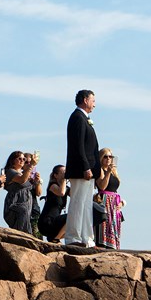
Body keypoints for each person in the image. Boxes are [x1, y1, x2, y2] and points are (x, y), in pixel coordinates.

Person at [65, 89, 100, 247]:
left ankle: (87, 237)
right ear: (85, 100)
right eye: (93, 100)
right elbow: (77, 146)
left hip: (89, 171)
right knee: (78, 202)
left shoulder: (84, 118)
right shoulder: (77, 118)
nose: (94, 103)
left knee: (86, 204)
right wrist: (86, 167)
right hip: (81, 170)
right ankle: (73, 237)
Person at [94, 148, 125, 249]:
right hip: (104, 201)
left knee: (114, 226)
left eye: (110, 156)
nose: (108, 159)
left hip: (115, 203)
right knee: (105, 226)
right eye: (105, 157)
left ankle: (114, 245)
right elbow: (102, 186)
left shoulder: (114, 172)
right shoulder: (100, 171)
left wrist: (122, 202)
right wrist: (107, 173)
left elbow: (115, 189)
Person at [3, 150, 36, 234]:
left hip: (26, 203)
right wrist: (31, 165)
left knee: (25, 223)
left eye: (24, 159)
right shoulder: (10, 171)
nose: (22, 161)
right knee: (22, 213)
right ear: (12, 160)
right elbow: (21, 180)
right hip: (14, 203)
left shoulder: (22, 173)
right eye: (19, 158)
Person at [38, 165, 68, 243]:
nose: (66, 173)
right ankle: (55, 239)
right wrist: (65, 179)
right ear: (56, 175)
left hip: (55, 221)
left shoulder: (66, 188)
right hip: (46, 222)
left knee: (77, 220)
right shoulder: (53, 185)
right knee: (71, 216)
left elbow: (76, 195)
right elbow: (61, 192)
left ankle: (53, 237)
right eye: (63, 172)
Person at [26, 151, 43, 238]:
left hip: (34, 208)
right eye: (27, 162)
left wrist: (37, 182)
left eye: (31, 162)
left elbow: (39, 193)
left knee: (37, 235)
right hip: (23, 208)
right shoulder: (20, 175)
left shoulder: (34, 175)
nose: (30, 164)